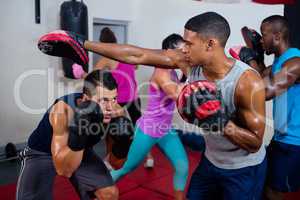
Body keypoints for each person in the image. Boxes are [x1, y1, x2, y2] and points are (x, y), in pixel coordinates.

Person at [38, 11, 267, 199]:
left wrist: (219, 120)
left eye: (188, 43)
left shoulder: (247, 81)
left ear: (210, 44)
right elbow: (137, 55)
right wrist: (84, 43)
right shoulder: (187, 62)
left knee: (181, 166)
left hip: (242, 170)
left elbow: (255, 142)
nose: (183, 48)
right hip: (210, 159)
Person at [16, 70, 121, 200]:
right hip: (41, 153)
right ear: (86, 99)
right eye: (104, 100)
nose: (110, 107)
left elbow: (116, 164)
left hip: (80, 149)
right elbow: (64, 170)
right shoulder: (63, 111)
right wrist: (81, 129)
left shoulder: (116, 113)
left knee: (109, 194)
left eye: (114, 99)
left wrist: (122, 146)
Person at [111, 33, 189, 200]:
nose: (185, 54)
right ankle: (98, 192)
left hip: (165, 129)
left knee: (182, 166)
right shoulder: (161, 73)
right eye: (182, 51)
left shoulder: (174, 71)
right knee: (125, 168)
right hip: (148, 129)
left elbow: (184, 83)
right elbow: (177, 94)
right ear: (168, 52)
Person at [235, 15, 300, 200]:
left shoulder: (295, 63)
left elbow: (266, 91)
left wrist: (250, 62)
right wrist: (256, 56)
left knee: (274, 192)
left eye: (264, 35)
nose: (261, 40)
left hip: (294, 142)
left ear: (277, 37)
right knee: (264, 185)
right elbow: (260, 77)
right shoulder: (279, 62)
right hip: (281, 138)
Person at [93, 27, 144, 169]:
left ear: (102, 43)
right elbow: (137, 67)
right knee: (138, 129)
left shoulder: (107, 57)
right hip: (134, 97)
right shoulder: (125, 53)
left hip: (119, 100)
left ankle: (110, 157)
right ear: (115, 39)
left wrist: (79, 73)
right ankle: (148, 157)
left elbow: (94, 76)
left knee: (111, 129)